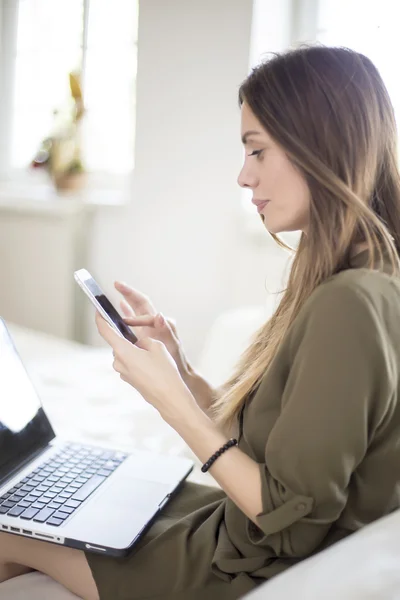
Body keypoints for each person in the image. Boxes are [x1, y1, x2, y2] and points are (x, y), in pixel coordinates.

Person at [2, 44, 400, 600]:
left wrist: (171, 402)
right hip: (233, 531)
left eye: (257, 151)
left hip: (236, 568)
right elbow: (278, 451)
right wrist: (180, 366)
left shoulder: (350, 304)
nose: (243, 175)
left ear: (320, 147)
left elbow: (289, 520)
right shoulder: (366, 280)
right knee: (46, 510)